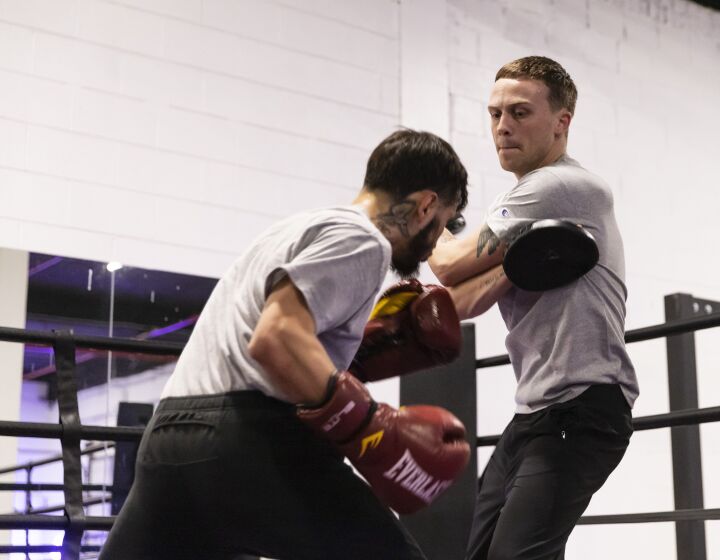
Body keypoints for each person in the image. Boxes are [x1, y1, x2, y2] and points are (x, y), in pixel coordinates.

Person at [100, 129, 472, 560]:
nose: (430, 248)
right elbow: (276, 338)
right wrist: (369, 423)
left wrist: (350, 360)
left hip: (169, 439)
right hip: (248, 439)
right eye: (440, 224)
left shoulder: (296, 228)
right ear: (425, 205)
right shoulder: (363, 239)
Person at [429, 55, 639, 559]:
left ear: (562, 122)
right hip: (534, 414)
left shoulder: (559, 186)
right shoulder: (526, 202)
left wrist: (426, 207)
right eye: (495, 113)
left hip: (583, 409)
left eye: (520, 113)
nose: (502, 127)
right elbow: (458, 304)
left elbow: (448, 266)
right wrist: (510, 268)